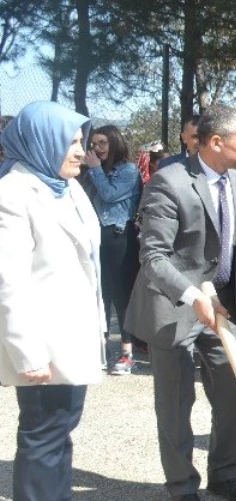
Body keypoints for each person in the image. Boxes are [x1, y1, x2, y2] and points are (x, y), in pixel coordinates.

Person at [125, 105, 236, 501]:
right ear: (216, 142)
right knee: (175, 401)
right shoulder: (169, 181)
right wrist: (193, 296)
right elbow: (153, 256)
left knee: (231, 392)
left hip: (219, 305)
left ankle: (224, 475)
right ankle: (182, 486)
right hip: (174, 303)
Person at [0, 102, 106, 501]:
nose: (80, 152)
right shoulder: (13, 193)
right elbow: (10, 282)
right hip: (42, 341)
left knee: (63, 430)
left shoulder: (66, 187)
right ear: (42, 141)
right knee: (42, 434)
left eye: (82, 141)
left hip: (74, 334)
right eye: (72, 141)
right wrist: (27, 353)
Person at [84, 125, 142, 375]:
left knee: (121, 295)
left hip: (120, 237)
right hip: (96, 237)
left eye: (102, 143)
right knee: (100, 295)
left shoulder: (128, 170)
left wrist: (95, 169)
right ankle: (100, 348)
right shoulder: (91, 171)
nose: (97, 149)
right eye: (94, 144)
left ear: (115, 143)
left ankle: (127, 353)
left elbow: (109, 195)